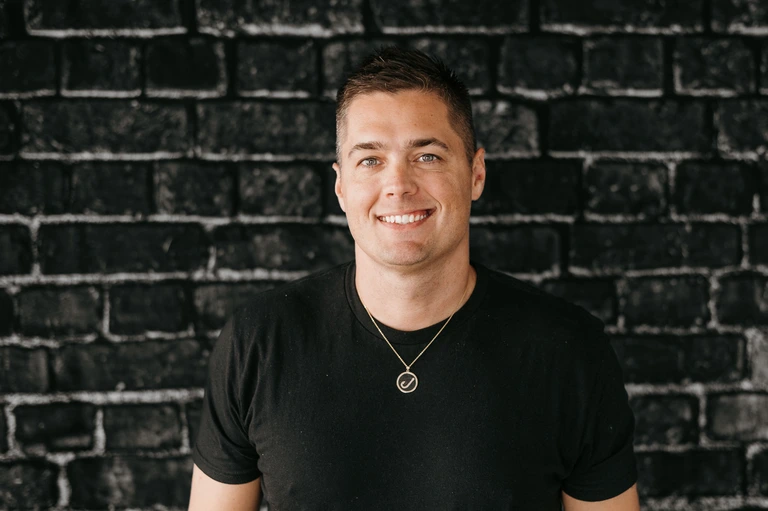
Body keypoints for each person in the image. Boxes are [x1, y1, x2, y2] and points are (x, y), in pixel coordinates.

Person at [188, 46, 640, 510]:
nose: (398, 185)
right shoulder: (260, 342)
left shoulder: (568, 348)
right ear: (341, 186)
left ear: (476, 173)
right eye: (370, 159)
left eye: (426, 156)